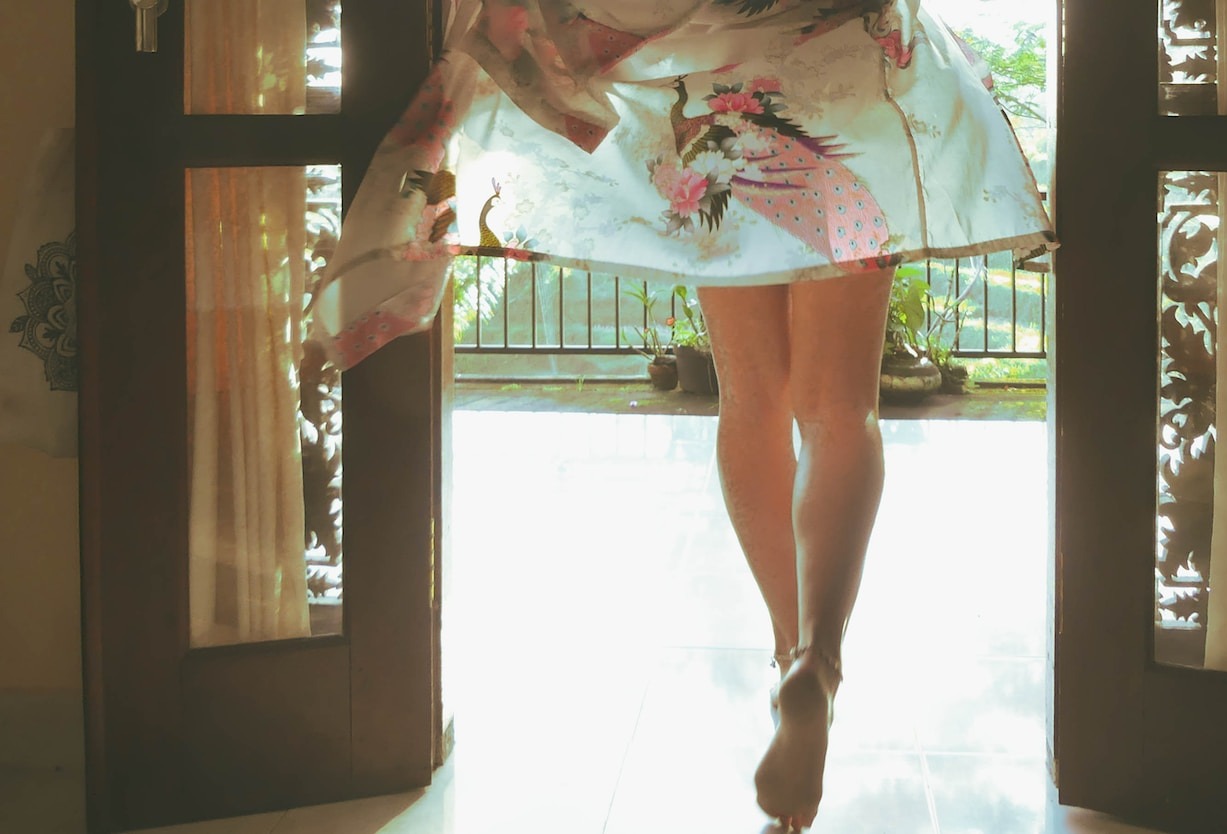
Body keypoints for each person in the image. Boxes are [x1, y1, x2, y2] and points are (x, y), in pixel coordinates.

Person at [311, 1, 1053, 829]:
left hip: (712, 90)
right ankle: (819, 661)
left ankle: (786, 657)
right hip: (842, 65)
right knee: (841, 407)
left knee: (753, 398)